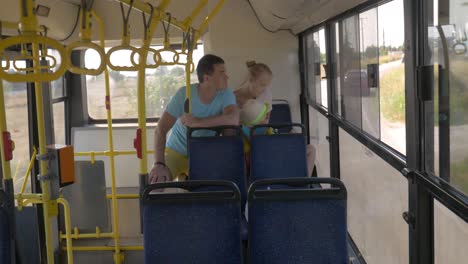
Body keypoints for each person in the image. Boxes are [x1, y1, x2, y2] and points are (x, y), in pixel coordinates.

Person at [149, 54, 240, 184]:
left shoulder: (226, 94)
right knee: (156, 183)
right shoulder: (184, 94)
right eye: (222, 73)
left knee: (215, 187)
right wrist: (158, 164)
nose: (227, 77)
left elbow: (233, 119)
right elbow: (160, 129)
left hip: (204, 153)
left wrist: (198, 122)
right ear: (207, 78)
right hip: (177, 151)